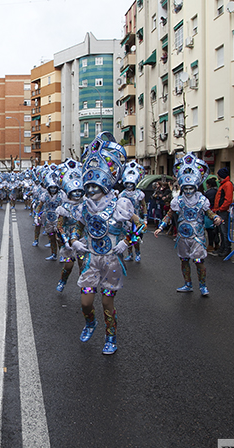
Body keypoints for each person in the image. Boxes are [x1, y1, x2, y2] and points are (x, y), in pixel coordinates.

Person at [69, 134, 143, 355]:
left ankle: (111, 337)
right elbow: (77, 227)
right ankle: (90, 323)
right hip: (92, 261)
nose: (91, 191)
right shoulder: (85, 207)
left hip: (111, 261)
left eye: (95, 187)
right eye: (88, 186)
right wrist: (74, 241)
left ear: (106, 184)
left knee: (107, 304)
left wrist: (126, 243)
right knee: (85, 302)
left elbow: (141, 227)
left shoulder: (122, 204)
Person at [154, 153, 222, 296]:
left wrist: (216, 217)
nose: (189, 191)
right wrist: (161, 227)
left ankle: (203, 286)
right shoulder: (178, 201)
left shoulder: (201, 200)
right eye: (186, 189)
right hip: (183, 236)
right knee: (184, 260)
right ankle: (188, 284)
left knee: (199, 261)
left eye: (191, 188)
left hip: (197, 236)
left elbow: (209, 212)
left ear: (195, 187)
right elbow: (169, 214)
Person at [55, 158, 85, 292]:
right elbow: (59, 226)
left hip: (82, 238)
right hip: (68, 239)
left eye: (79, 191)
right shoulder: (64, 207)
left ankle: (84, 287)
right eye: (75, 192)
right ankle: (63, 280)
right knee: (68, 265)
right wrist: (65, 241)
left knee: (83, 264)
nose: (77, 194)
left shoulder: (86, 205)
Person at [119, 162, 147, 262]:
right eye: (128, 184)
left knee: (136, 238)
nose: (129, 185)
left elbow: (143, 205)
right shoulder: (122, 194)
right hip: (126, 219)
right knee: (127, 237)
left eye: (131, 184)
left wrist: (145, 217)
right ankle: (130, 254)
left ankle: (138, 254)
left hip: (136, 218)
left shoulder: (139, 194)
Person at [212, 168, 234, 257]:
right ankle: (222, 247)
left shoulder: (227, 185)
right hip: (220, 210)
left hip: (223, 211)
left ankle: (227, 248)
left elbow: (228, 199)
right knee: (221, 231)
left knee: (224, 231)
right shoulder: (223, 184)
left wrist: (221, 208)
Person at [203, 177, 220, 252]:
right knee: (216, 229)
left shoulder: (208, 193)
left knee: (210, 229)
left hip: (210, 212)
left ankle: (210, 245)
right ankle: (217, 243)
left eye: (207, 184)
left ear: (209, 185)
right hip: (216, 211)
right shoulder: (217, 191)